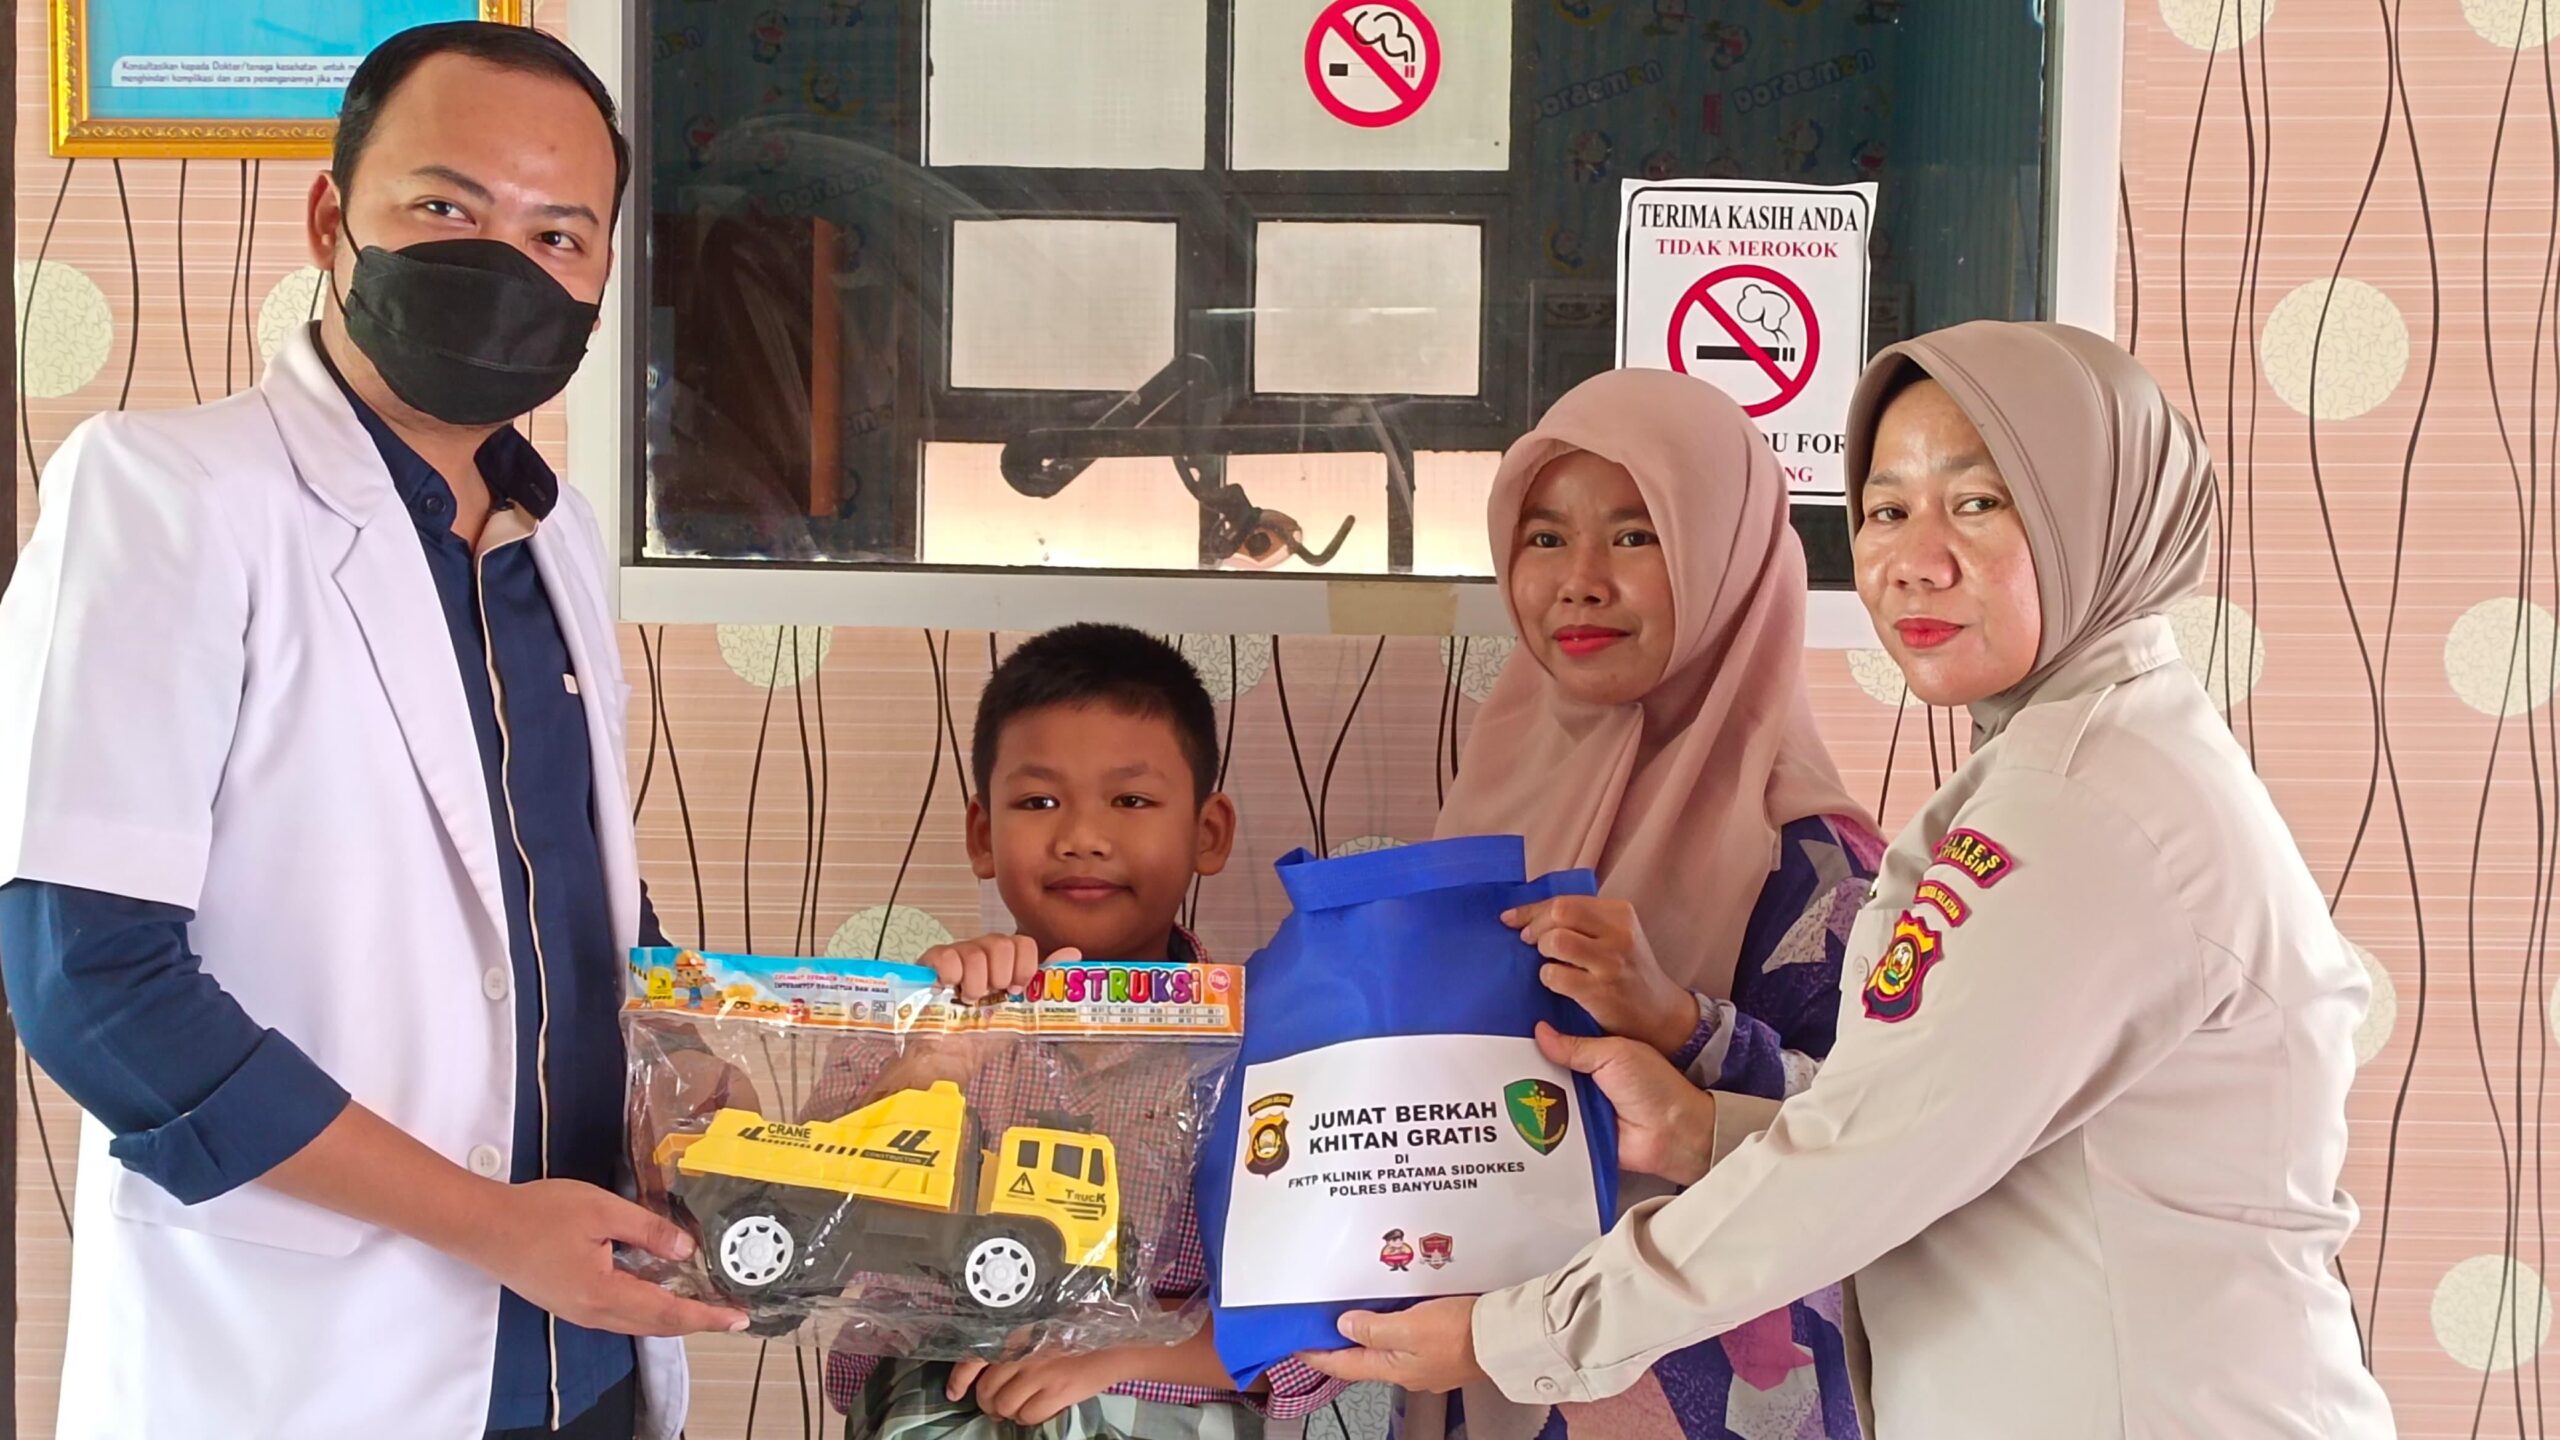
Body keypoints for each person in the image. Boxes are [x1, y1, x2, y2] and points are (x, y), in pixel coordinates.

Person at [1304, 322, 2397, 1438]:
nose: (1913, 559)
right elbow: (1928, 1131)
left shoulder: (2080, 808)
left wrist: (1518, 1337)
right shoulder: (2071, 769)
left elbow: (1868, 1165)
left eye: (1978, 503)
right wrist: (1699, 1129)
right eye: (1884, 510)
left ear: (2099, 517)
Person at [0, 23, 746, 1440]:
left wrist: (698, 1080)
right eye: (447, 207)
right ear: (332, 220)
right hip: (309, 1370)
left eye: (558, 235)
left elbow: (569, 891)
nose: (504, 265)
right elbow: (92, 984)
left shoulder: (561, 534)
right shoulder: (168, 497)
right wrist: (487, 1225)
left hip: (584, 1363)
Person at [1424, 368, 1879, 1439]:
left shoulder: (1817, 864)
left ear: (1727, 557)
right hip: (1482, 1363)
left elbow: (1893, 1145)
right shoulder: (1487, 803)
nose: (1579, 583)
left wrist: (1680, 1023)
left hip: (1716, 1388)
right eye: (1544, 537)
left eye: (1636, 536)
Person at [814, 624, 1347, 1437]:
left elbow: (1328, 1334)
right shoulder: (915, 1019)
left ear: (1207, 832)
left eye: (1131, 801)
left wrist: (1114, 1356)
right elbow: (808, 1241)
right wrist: (923, 1069)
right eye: (1039, 803)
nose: (1082, 838)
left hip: (1170, 1413)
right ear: (983, 834)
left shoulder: (1273, 1048)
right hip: (926, 1410)